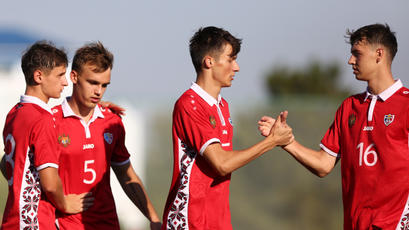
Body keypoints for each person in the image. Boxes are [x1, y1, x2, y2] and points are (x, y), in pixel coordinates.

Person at [259, 23, 409, 230]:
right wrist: (286, 141)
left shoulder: (406, 105)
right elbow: (323, 164)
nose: (350, 60)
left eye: (357, 53)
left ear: (379, 54)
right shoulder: (349, 107)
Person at [162, 26, 294, 230]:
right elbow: (222, 163)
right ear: (209, 61)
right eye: (231, 59)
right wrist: (272, 141)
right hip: (190, 221)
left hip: (218, 221)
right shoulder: (189, 104)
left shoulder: (222, 106)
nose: (237, 67)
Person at [53, 41, 161, 230]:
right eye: (93, 82)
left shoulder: (112, 123)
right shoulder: (51, 121)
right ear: (74, 77)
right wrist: (59, 201)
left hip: (107, 224)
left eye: (104, 85)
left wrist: (153, 218)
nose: (98, 91)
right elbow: (12, 166)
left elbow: (127, 176)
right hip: (65, 225)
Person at [0, 41, 92, 230]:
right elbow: (50, 183)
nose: (65, 82)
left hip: (11, 220)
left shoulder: (15, 113)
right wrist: (65, 204)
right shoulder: (42, 119)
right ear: (39, 76)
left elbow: (5, 164)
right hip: (33, 223)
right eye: (60, 75)